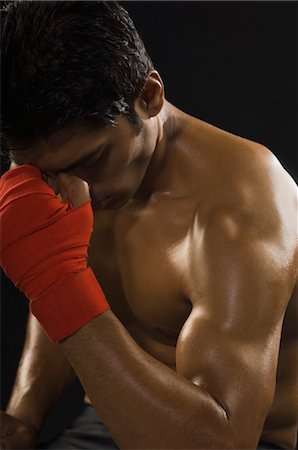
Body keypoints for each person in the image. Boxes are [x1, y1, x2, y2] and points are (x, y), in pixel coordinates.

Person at [0, 1, 297, 449]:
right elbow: (71, 284)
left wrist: (56, 283)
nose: (72, 191)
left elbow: (223, 439)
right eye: (43, 173)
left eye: (91, 160)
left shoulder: (240, 208)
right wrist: (24, 416)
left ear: (149, 95)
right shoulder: (70, 172)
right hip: (107, 420)